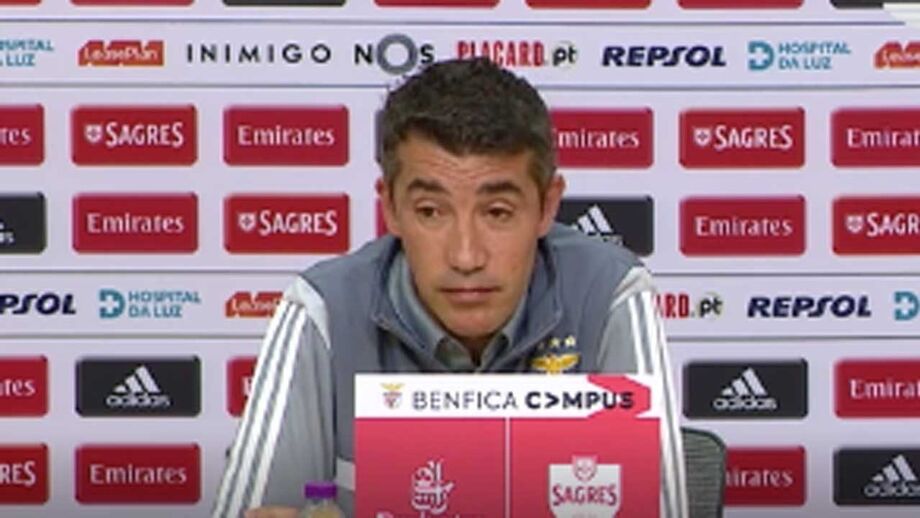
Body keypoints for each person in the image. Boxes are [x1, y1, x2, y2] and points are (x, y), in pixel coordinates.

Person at [212, 57, 687, 518]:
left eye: (497, 213)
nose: (466, 257)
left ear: (546, 207)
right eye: (430, 212)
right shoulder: (324, 309)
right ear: (391, 209)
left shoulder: (608, 295)